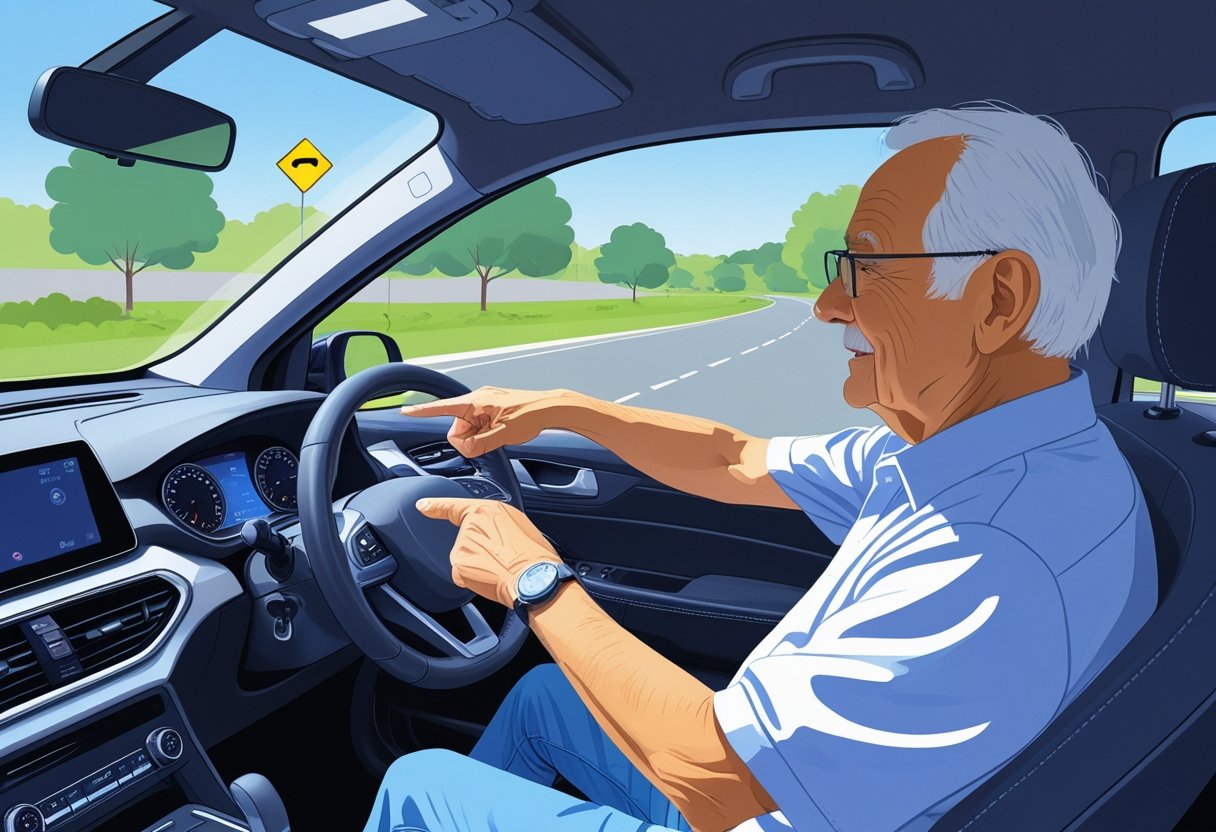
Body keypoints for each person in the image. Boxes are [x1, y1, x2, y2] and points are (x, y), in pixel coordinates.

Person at [360, 103, 1158, 832]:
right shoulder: (980, 453)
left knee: (422, 785)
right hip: (797, 791)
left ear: (998, 298)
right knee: (546, 701)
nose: (827, 304)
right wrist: (566, 408)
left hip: (755, 803)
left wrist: (533, 578)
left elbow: (724, 781)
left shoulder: (996, 552)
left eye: (866, 267)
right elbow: (734, 458)